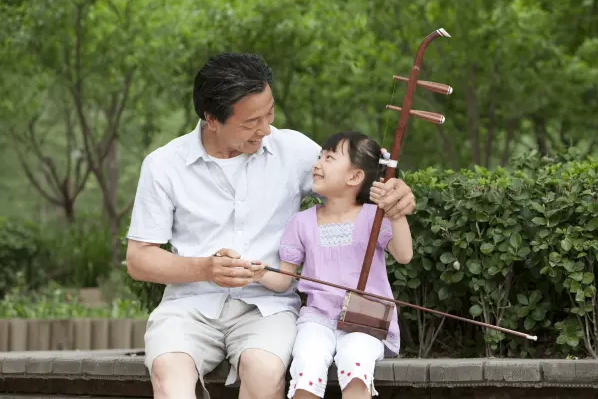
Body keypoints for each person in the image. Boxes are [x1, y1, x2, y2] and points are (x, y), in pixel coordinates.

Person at [125, 53, 416, 399]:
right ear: (211, 119)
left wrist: (397, 193)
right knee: (169, 375)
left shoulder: (291, 149)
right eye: (251, 122)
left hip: (268, 307)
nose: (265, 129)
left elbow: (352, 182)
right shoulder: (163, 165)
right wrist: (205, 268)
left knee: (263, 373)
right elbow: (139, 259)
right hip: (188, 307)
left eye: (270, 113)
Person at [254, 131, 413, 399]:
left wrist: (393, 210)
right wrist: (258, 272)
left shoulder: (375, 216)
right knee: (306, 363)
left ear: (354, 177)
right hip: (317, 320)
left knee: (356, 363)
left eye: (329, 157)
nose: (317, 164)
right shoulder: (301, 222)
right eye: (319, 157)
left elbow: (404, 255)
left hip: (365, 320)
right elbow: (283, 279)